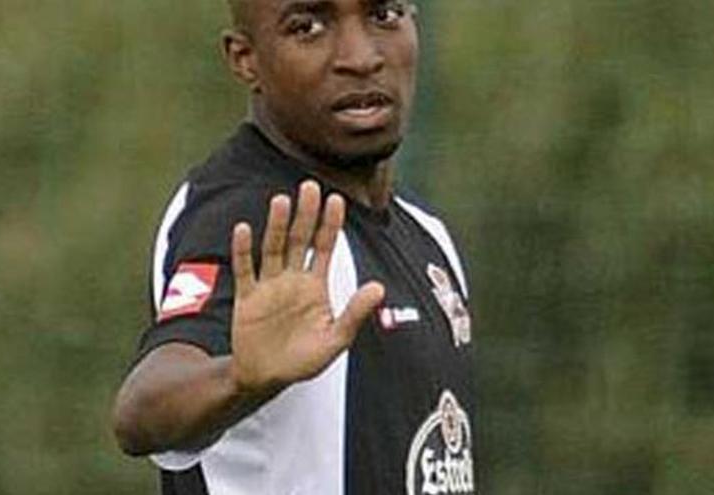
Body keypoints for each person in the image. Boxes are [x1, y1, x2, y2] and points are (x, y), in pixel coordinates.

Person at [112, 0, 477, 493]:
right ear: (246, 58)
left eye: (384, 14)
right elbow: (143, 410)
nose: (360, 56)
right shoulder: (250, 216)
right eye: (308, 26)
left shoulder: (426, 232)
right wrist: (239, 379)